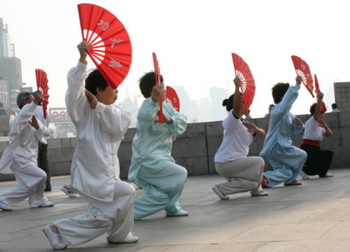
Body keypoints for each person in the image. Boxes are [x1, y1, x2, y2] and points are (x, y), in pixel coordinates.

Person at [42, 41, 138, 250]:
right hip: (92, 176)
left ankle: (61, 230)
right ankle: (60, 229)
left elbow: (119, 125)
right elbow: (74, 92)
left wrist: (99, 106)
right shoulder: (83, 111)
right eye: (113, 88)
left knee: (105, 217)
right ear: (98, 90)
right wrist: (82, 62)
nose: (117, 93)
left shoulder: (114, 111)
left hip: (107, 175)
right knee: (127, 192)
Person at [128, 71, 188, 220]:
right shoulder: (147, 106)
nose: (164, 88)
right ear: (153, 90)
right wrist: (154, 99)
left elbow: (181, 121)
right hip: (147, 161)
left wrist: (168, 120)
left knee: (160, 197)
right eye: (161, 86)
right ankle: (172, 207)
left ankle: (128, 213)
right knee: (180, 173)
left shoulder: (167, 107)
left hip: (161, 159)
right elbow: (144, 118)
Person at [212, 77, 268, 200]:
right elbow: (236, 108)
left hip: (236, 164)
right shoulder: (232, 121)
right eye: (243, 101)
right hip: (226, 162)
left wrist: (256, 129)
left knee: (252, 183)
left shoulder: (245, 124)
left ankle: (222, 189)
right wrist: (237, 87)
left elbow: (262, 134)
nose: (246, 103)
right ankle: (257, 189)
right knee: (259, 161)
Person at [0, 91, 53, 211]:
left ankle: (5, 200)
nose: (35, 105)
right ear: (25, 104)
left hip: (30, 159)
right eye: (31, 102)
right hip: (19, 159)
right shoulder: (19, 119)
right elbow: (25, 113)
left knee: (29, 186)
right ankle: (38, 199)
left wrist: (37, 127)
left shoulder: (33, 119)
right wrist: (35, 102)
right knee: (41, 175)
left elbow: (46, 133)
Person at [260, 76, 307, 188]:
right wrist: (297, 86)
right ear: (284, 97)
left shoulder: (289, 114)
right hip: (278, 147)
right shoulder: (276, 111)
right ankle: (290, 180)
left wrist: (299, 125)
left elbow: (293, 130)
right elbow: (285, 104)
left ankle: (265, 178)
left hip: (277, 148)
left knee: (285, 171)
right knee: (302, 155)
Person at [299, 92, 333, 180]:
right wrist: (320, 100)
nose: (324, 115)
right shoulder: (312, 121)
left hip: (316, 148)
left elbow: (329, 134)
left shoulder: (320, 124)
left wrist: (325, 126)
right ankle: (301, 169)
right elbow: (316, 113)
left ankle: (322, 173)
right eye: (323, 113)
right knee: (311, 166)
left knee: (328, 154)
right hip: (308, 148)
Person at [35, 103, 52, 192]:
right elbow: (48, 122)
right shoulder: (44, 109)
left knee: (35, 161)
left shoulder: (33, 109)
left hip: (36, 138)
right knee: (44, 161)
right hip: (45, 138)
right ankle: (47, 185)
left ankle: (39, 186)